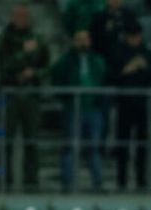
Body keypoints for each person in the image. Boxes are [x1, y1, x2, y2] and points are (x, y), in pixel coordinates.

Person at [0, 4, 50, 189]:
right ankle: (5, 180)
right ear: (12, 17)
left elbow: (46, 67)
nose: (21, 19)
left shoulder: (37, 39)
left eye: (24, 16)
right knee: (7, 141)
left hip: (31, 95)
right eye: (18, 16)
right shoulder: (5, 38)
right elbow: (4, 66)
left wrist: (34, 73)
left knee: (32, 140)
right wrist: (23, 54)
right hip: (11, 93)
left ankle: (31, 181)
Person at [52, 30, 108, 192]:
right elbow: (57, 76)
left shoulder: (97, 60)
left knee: (94, 147)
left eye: (85, 39)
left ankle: (98, 182)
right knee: (69, 147)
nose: (83, 43)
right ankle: (67, 182)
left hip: (93, 109)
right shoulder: (66, 61)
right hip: (73, 110)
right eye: (79, 40)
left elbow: (103, 78)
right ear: (74, 42)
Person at [108, 20, 151, 191]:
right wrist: (127, 69)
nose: (136, 39)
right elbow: (111, 77)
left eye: (137, 35)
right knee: (123, 145)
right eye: (132, 36)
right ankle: (121, 182)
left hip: (143, 105)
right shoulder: (118, 52)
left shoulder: (147, 53)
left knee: (142, 147)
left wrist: (145, 67)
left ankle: (141, 182)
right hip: (125, 104)